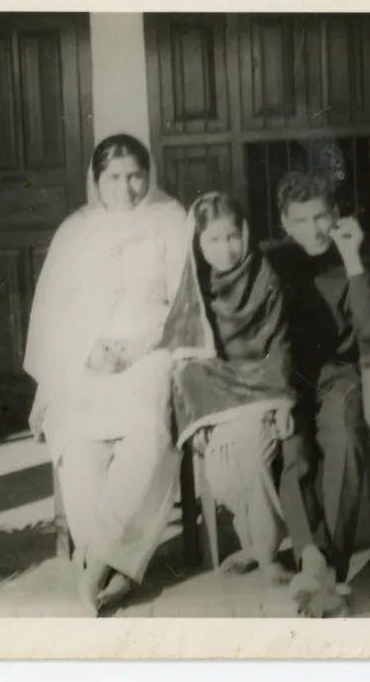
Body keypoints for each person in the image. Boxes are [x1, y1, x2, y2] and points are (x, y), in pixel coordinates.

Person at [23, 133, 189, 615]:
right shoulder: (75, 230)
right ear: (96, 180)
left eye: (135, 174)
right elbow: (51, 311)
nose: (126, 187)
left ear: (149, 174)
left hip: (151, 350)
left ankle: (96, 564)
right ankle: (112, 562)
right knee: (76, 441)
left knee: (147, 430)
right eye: (113, 177)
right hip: (87, 357)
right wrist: (86, 352)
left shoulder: (171, 220)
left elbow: (184, 302)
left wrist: (141, 347)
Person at [266, 171, 370, 617]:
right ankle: (312, 558)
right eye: (300, 220)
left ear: (337, 215)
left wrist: (353, 258)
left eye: (321, 216)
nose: (313, 229)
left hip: (339, 375)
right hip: (287, 380)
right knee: (292, 446)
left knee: (344, 435)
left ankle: (328, 568)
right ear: (284, 221)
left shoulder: (355, 258)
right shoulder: (274, 263)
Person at [158, 192, 296, 585]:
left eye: (233, 236)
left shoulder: (264, 274)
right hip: (217, 396)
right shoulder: (194, 287)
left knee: (253, 454)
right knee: (220, 476)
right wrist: (196, 415)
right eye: (214, 240)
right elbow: (185, 360)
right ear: (198, 244)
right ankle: (250, 542)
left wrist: (283, 401)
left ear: (246, 232)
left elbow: (279, 342)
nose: (227, 249)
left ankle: (266, 553)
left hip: (262, 388)